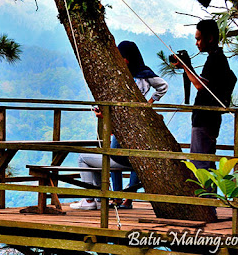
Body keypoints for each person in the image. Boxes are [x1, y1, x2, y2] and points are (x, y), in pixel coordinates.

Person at [70, 41, 168, 210]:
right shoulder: (133, 74)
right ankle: (116, 198)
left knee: (96, 157)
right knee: (130, 156)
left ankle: (94, 200)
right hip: (130, 126)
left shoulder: (136, 75)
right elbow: (161, 87)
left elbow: (162, 86)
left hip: (125, 131)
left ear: (127, 58)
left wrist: (148, 103)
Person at [173, 19, 232, 170]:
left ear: (210, 38)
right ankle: (210, 194)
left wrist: (186, 67)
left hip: (205, 120)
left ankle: (205, 194)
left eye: (198, 39)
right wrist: (188, 66)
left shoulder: (215, 59)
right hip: (209, 120)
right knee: (207, 164)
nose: (197, 43)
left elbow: (200, 85)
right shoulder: (218, 57)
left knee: (200, 165)